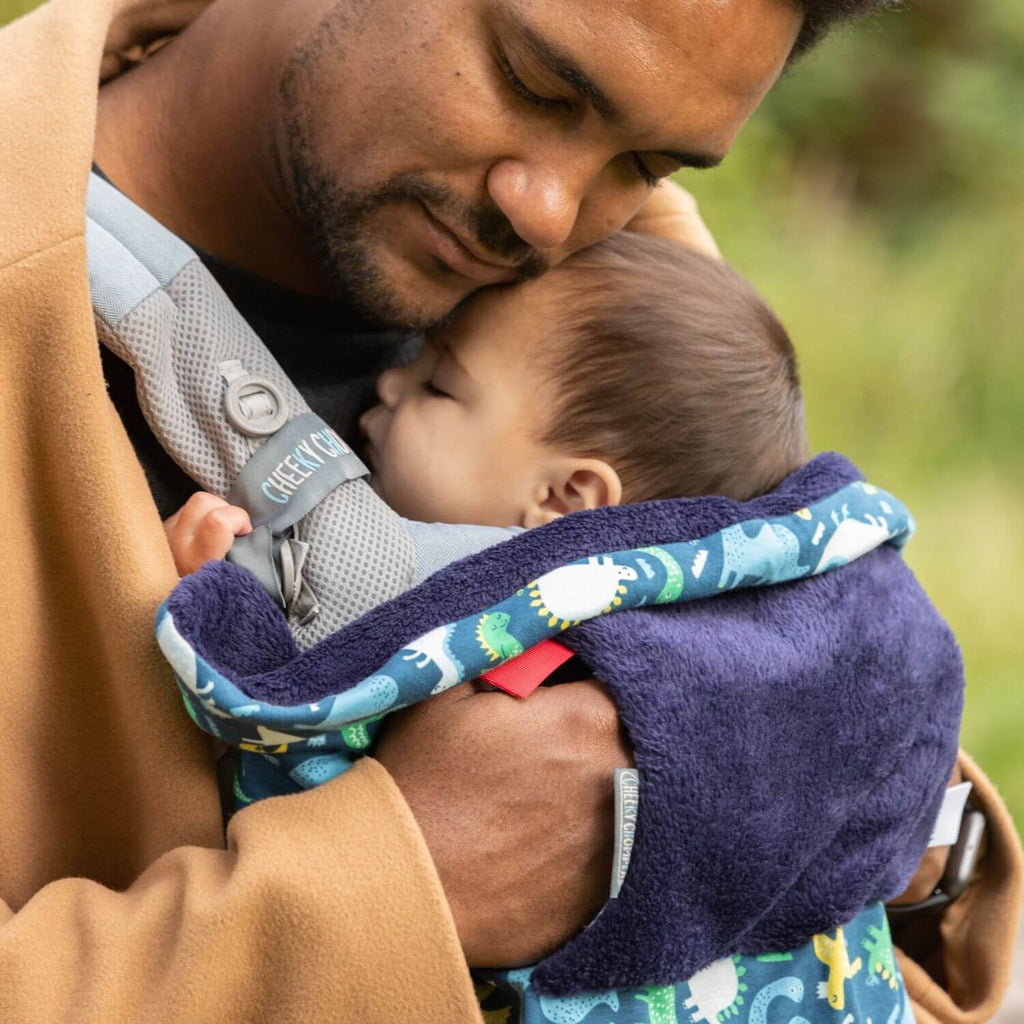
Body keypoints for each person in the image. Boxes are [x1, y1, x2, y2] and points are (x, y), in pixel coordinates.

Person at [0, 0, 1019, 1021]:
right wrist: (404, 884)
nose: (547, 212)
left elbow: (906, 906)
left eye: (647, 163)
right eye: (535, 82)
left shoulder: (627, 311)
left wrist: (889, 830)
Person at [166, 234, 808, 577]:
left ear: (565, 502)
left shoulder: (512, 666)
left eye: (439, 384)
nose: (390, 382)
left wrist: (202, 591)